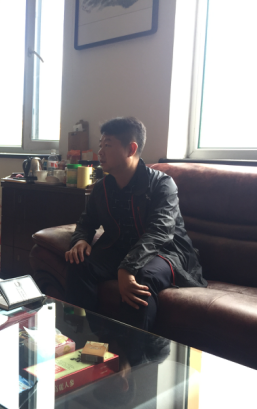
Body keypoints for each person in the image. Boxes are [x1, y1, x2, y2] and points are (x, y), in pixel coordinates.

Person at [65, 117, 207, 332]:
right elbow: (87, 221)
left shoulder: (162, 184)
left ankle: (133, 352)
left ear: (131, 149)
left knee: (142, 279)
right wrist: (81, 239)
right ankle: (80, 338)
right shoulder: (102, 187)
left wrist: (127, 267)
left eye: (107, 145)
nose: (100, 152)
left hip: (165, 251)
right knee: (79, 263)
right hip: (121, 248)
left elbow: (159, 233)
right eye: (100, 145)